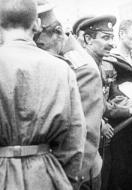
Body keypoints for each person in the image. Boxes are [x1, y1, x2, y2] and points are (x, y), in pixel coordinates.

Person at [0, 0, 86, 189]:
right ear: (37, 24)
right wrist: (64, 179)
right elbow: (74, 138)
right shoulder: (61, 69)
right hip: (45, 174)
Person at [79, 16, 132, 190]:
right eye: (105, 38)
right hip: (84, 139)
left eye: (111, 38)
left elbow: (107, 100)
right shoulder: (83, 66)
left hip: (99, 138)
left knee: (101, 179)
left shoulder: (104, 65)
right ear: (88, 39)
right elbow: (78, 103)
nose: (111, 43)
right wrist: (99, 122)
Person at [35, 2, 105, 189]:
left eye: (37, 43)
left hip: (75, 176)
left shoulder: (80, 68)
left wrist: (66, 182)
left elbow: (85, 135)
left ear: (57, 33)